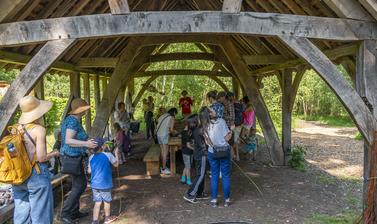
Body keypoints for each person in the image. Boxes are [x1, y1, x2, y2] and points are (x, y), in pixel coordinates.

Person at [12, 96, 59, 224]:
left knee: (21, 215)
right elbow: (41, 157)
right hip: (36, 174)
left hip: (18, 175)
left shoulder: (14, 128)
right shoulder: (39, 130)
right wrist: (54, 153)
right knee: (41, 214)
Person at [60, 98, 97, 224]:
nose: (86, 111)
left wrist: (87, 145)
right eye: (85, 109)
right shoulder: (72, 122)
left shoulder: (73, 120)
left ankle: (74, 212)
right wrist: (86, 143)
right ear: (81, 110)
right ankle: (65, 213)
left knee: (77, 184)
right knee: (80, 185)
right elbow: (68, 140)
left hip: (74, 157)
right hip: (71, 157)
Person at [203, 107, 232, 208]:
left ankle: (214, 200)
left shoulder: (204, 124)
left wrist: (213, 145)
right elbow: (226, 138)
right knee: (225, 175)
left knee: (214, 175)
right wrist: (231, 131)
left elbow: (207, 142)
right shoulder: (221, 121)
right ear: (210, 114)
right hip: (224, 151)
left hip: (212, 152)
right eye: (212, 110)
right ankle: (227, 200)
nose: (214, 110)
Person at [88, 138, 119, 224]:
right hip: (105, 184)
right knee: (106, 202)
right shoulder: (108, 155)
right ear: (102, 146)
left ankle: (94, 221)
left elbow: (89, 171)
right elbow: (116, 164)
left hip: (94, 184)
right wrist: (116, 154)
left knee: (97, 202)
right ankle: (107, 219)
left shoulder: (91, 157)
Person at [183, 113, 210, 204]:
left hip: (198, 155)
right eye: (199, 118)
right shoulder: (197, 131)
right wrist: (206, 152)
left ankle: (199, 193)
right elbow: (201, 144)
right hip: (201, 155)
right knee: (201, 175)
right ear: (196, 121)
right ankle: (190, 194)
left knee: (201, 174)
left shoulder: (196, 130)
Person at [156, 108, 178, 175]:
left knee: (162, 151)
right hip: (164, 135)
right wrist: (176, 133)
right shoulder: (171, 117)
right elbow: (171, 130)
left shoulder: (162, 116)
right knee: (165, 152)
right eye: (175, 113)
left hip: (158, 135)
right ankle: (163, 168)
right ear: (174, 113)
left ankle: (163, 167)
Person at [180, 121, 194, 185]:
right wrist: (195, 149)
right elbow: (188, 145)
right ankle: (188, 180)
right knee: (188, 167)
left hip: (187, 152)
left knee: (187, 166)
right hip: (186, 152)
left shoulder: (183, 132)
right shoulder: (187, 133)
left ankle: (183, 178)